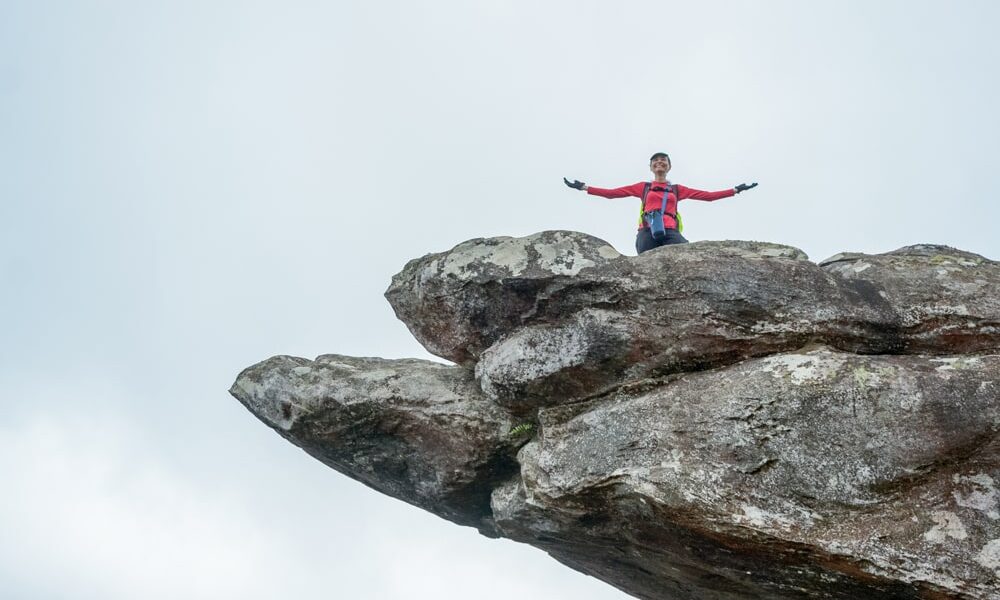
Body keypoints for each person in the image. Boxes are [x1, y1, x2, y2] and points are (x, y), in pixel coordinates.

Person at [564, 152, 757, 254]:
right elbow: (612, 194)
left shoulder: (676, 189)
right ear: (650, 167)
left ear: (669, 166)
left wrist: (735, 190)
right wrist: (584, 187)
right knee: (646, 266)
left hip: (671, 232)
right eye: (655, 161)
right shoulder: (643, 187)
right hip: (647, 231)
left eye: (663, 160)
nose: (659, 162)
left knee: (686, 256)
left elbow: (708, 196)